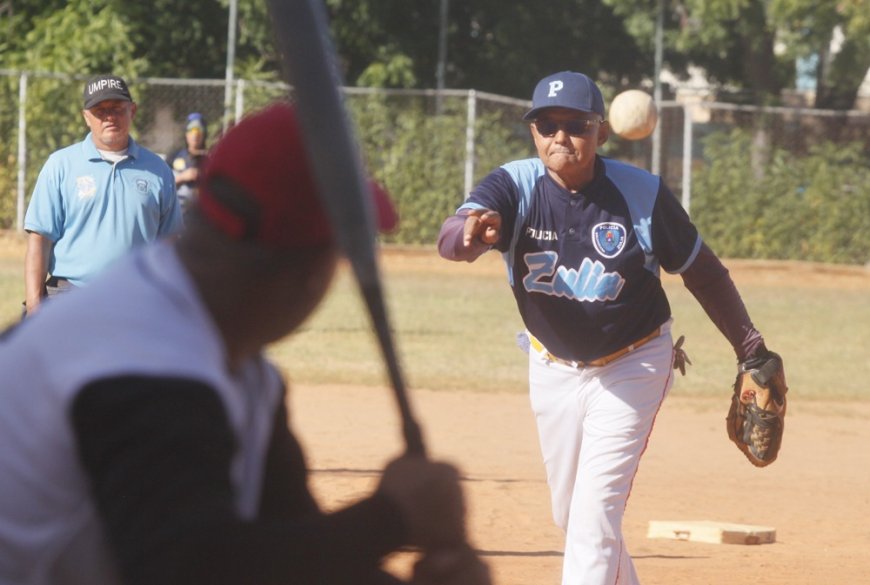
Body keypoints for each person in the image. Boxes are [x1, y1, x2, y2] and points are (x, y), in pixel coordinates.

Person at [0, 103, 488, 585]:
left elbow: (287, 546)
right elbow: (193, 569)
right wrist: (390, 520)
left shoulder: (233, 362)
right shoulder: (145, 361)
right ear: (305, 274)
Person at [438, 71, 778, 585]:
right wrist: (467, 237)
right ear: (533, 132)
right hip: (551, 366)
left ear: (600, 131)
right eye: (546, 124)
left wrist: (750, 349)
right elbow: (451, 236)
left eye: (575, 124)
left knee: (593, 519)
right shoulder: (514, 185)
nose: (559, 136)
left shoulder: (640, 194)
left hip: (633, 364)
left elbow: (702, 272)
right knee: (572, 517)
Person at [22, 73, 183, 316]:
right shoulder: (61, 165)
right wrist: (34, 305)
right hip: (69, 295)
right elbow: (40, 239)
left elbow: (169, 244)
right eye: (100, 110)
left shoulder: (158, 171)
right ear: (86, 117)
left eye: (117, 108)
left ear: (133, 111)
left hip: (136, 298)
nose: (109, 117)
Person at [170, 112, 209, 217]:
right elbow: (160, 186)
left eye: (199, 131)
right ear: (186, 133)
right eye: (191, 130)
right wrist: (182, 177)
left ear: (204, 134)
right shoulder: (174, 156)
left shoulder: (211, 158)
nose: (195, 135)